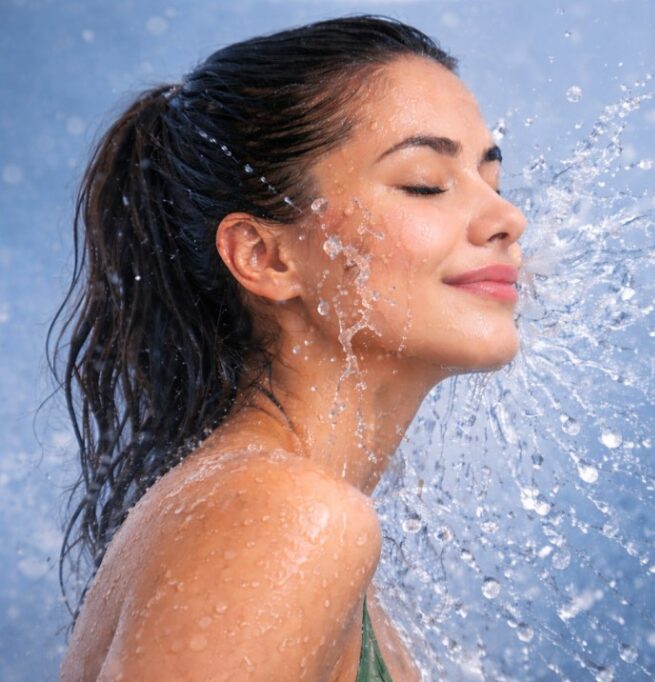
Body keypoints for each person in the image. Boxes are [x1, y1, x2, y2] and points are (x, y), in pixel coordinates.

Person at [52, 14, 527, 681]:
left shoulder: (283, 516)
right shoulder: (285, 519)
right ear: (265, 256)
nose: (509, 218)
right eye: (425, 183)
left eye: (493, 182)